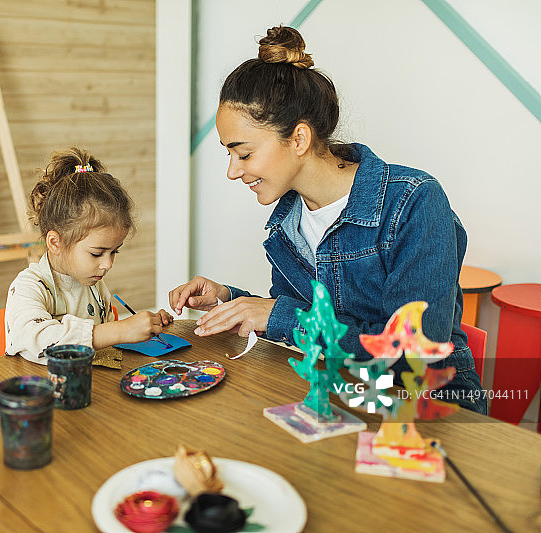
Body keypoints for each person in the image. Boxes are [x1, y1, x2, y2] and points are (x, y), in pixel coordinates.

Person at [168, 26, 486, 413]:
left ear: (299, 139)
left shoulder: (413, 201)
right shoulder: (286, 220)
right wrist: (231, 300)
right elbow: (295, 315)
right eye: (229, 155)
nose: (233, 172)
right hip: (341, 390)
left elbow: (414, 354)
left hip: (425, 402)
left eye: (244, 154)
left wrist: (278, 315)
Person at [6, 147, 172, 364]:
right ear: (55, 243)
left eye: (114, 251)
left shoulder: (94, 284)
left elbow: (105, 344)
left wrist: (142, 327)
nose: (108, 264)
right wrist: (120, 330)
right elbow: (35, 341)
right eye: (97, 253)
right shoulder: (29, 286)